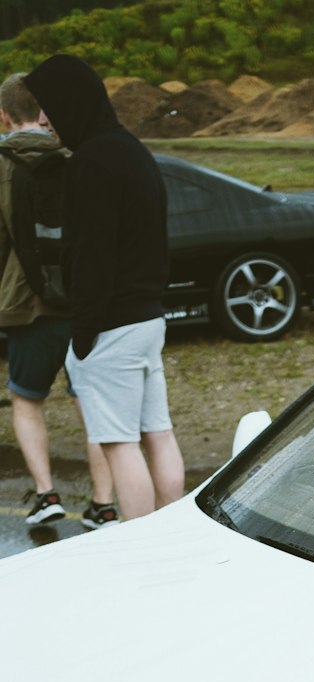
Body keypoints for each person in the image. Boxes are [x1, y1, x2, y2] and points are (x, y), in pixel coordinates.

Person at [23, 55, 185, 522]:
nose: (41, 119)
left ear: (70, 102)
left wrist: (84, 333)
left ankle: (135, 542)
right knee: (158, 433)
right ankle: (173, 531)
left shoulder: (91, 163)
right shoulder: (133, 151)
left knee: (119, 444)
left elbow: (92, 255)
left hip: (111, 325)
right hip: (148, 318)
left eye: (47, 107)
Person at [0, 71, 117, 530]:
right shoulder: (78, 157)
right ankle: (103, 504)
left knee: (27, 399)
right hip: (82, 300)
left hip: (26, 305)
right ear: (46, 113)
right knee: (88, 400)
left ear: (4, 115)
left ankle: (46, 494)